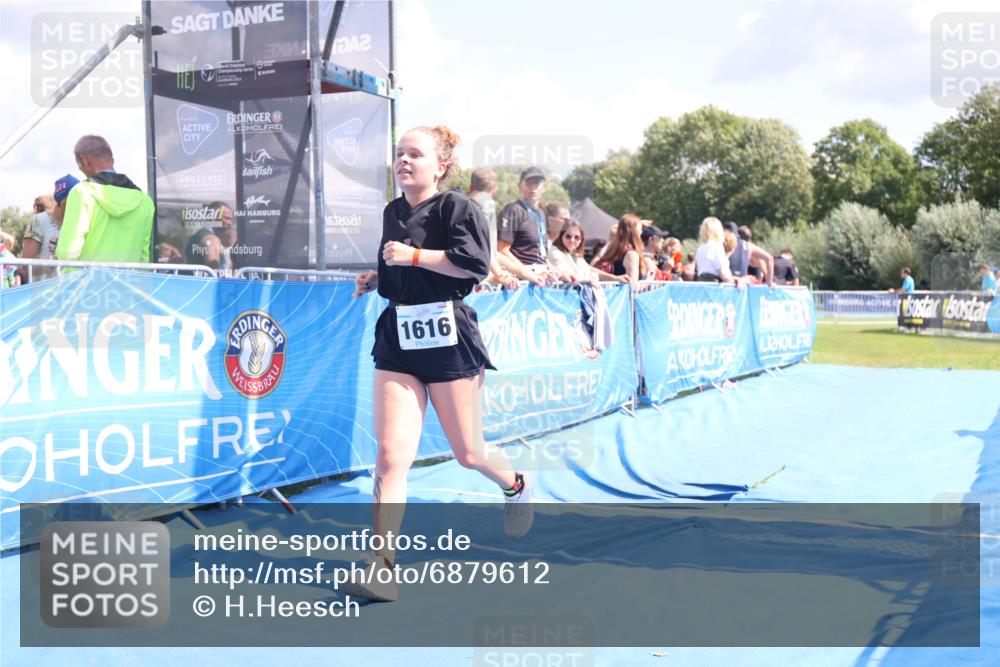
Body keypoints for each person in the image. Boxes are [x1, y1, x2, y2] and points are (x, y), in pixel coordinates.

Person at [350, 125, 532, 602]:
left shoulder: (459, 208)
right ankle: (383, 566)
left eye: (415, 154)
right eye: (399, 153)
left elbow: (471, 265)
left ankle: (515, 484)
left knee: (468, 453)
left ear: (441, 165)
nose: (404, 161)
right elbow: (399, 268)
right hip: (399, 338)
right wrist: (376, 278)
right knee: (390, 457)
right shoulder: (393, 211)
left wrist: (413, 256)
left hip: (449, 338)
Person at [55, 135, 154, 263]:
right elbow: (144, 258)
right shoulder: (145, 202)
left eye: (79, 165)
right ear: (112, 160)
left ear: (84, 160)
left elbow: (67, 252)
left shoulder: (81, 193)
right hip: (131, 282)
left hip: (88, 282)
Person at [497, 167, 555, 285]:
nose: (533, 188)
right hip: (520, 280)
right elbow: (502, 250)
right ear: (519, 186)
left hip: (540, 276)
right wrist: (526, 273)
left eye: (537, 183)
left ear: (544, 187)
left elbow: (539, 250)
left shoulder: (541, 213)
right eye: (528, 183)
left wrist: (551, 268)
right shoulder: (513, 210)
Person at [468, 168, 518, 290]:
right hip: (478, 278)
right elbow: (482, 246)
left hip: (474, 276)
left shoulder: (467, 204)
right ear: (494, 190)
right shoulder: (486, 204)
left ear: (470, 187)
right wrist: (500, 273)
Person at [184, 201, 236, 274]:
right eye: (226, 218)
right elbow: (213, 273)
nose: (230, 223)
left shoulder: (199, 235)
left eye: (231, 219)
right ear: (213, 218)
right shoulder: (212, 240)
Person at [594, 214, 644, 284]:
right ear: (634, 231)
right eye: (640, 229)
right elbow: (632, 286)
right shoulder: (631, 255)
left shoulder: (612, 249)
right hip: (622, 294)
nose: (641, 232)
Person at [724, 221, 773, 286]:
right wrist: (770, 281)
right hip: (743, 285)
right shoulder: (749, 246)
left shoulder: (725, 246)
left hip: (728, 284)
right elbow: (769, 258)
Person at [695, 217, 742, 284]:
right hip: (713, 285)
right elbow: (722, 271)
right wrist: (733, 282)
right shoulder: (716, 246)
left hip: (702, 283)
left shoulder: (700, 248)